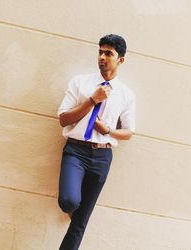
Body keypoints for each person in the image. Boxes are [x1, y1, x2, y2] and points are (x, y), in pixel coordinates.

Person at [57, 34, 135, 250]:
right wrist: (92, 100)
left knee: (80, 224)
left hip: (102, 156)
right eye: (100, 52)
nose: (102, 57)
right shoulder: (80, 82)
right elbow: (63, 118)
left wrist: (108, 130)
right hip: (76, 151)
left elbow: (129, 132)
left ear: (120, 59)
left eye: (108, 53)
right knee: (69, 202)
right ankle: (76, 205)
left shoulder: (126, 94)